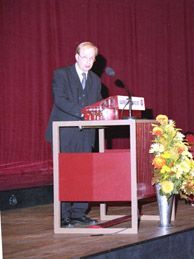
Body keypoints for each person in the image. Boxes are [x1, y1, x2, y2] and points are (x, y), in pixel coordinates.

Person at [45, 42, 102, 228]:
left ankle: (78, 213)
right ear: (76, 57)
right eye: (84, 57)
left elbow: (98, 103)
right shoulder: (61, 74)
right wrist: (84, 113)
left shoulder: (95, 80)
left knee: (83, 175)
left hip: (85, 135)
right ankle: (63, 216)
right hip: (64, 132)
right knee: (66, 175)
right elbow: (60, 100)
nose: (87, 61)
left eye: (91, 58)